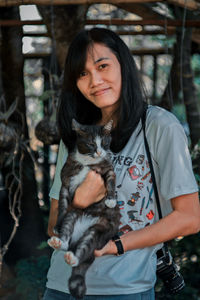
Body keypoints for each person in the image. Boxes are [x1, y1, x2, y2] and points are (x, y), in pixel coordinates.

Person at [43, 27, 200, 300]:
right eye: (82, 73)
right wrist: (81, 201)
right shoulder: (78, 134)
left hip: (124, 288)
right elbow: (54, 227)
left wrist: (116, 245)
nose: (95, 80)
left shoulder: (159, 126)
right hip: (61, 286)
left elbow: (189, 218)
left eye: (103, 66)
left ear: (123, 65)